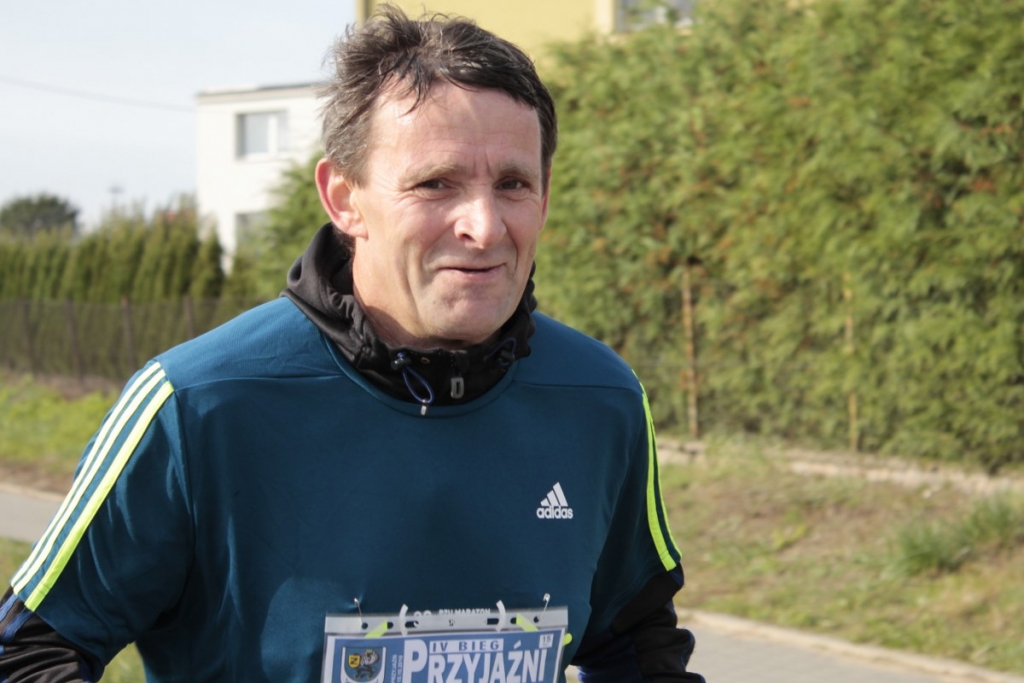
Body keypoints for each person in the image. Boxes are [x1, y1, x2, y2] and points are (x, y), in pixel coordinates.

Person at [0, 7, 705, 682]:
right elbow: (28, 653)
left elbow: (638, 647)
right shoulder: (196, 405)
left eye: (513, 183)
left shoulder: (600, 399)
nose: (485, 227)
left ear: (544, 199)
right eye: (436, 183)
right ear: (344, 198)